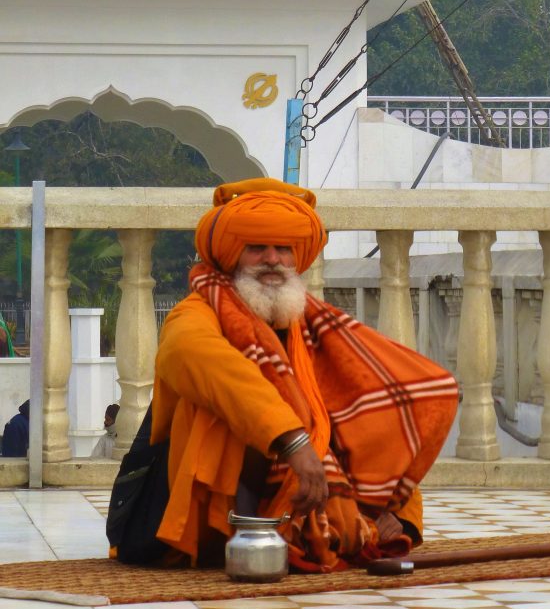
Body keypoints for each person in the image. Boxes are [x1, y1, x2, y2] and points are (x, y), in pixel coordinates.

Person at [141, 177, 458, 571]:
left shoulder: (309, 321)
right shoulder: (195, 312)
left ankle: (367, 519)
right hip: (221, 497)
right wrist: (291, 439)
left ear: (298, 258)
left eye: (284, 249)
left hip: (303, 464)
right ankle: (264, 529)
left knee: (377, 405)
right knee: (231, 407)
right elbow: (191, 356)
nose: (272, 259)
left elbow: (382, 408)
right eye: (257, 248)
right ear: (230, 255)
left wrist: (402, 511)